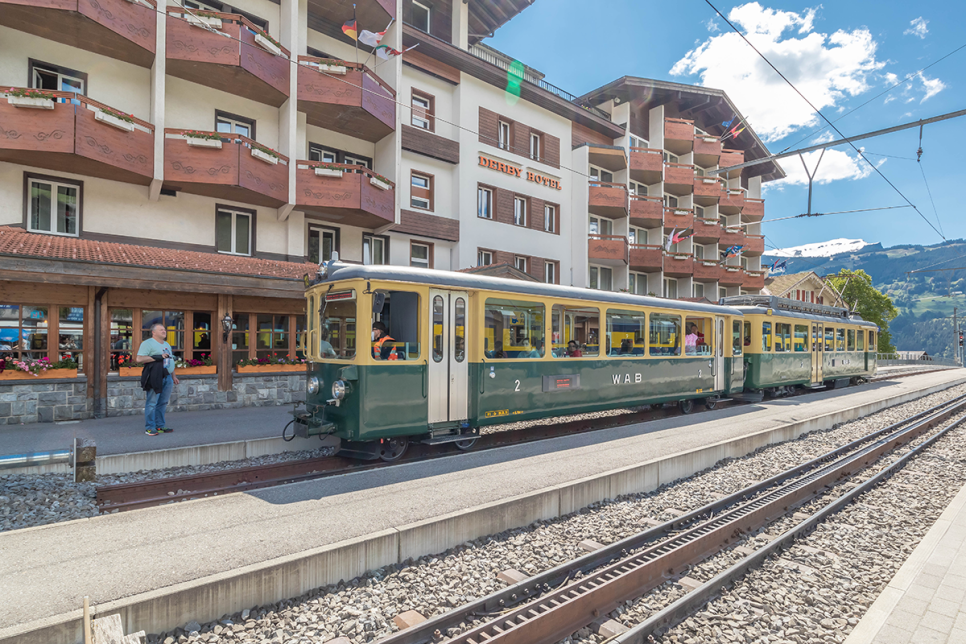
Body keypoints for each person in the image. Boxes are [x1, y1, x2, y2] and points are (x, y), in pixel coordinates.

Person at [136, 323, 179, 436]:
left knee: (163, 403)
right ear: (153, 332)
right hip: (155, 376)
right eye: (161, 330)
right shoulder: (147, 343)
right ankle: (150, 427)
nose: (164, 331)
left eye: (164, 329)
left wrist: (173, 376)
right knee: (152, 403)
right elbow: (139, 358)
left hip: (168, 377)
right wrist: (156, 358)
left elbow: (169, 361)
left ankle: (160, 426)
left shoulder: (167, 344)